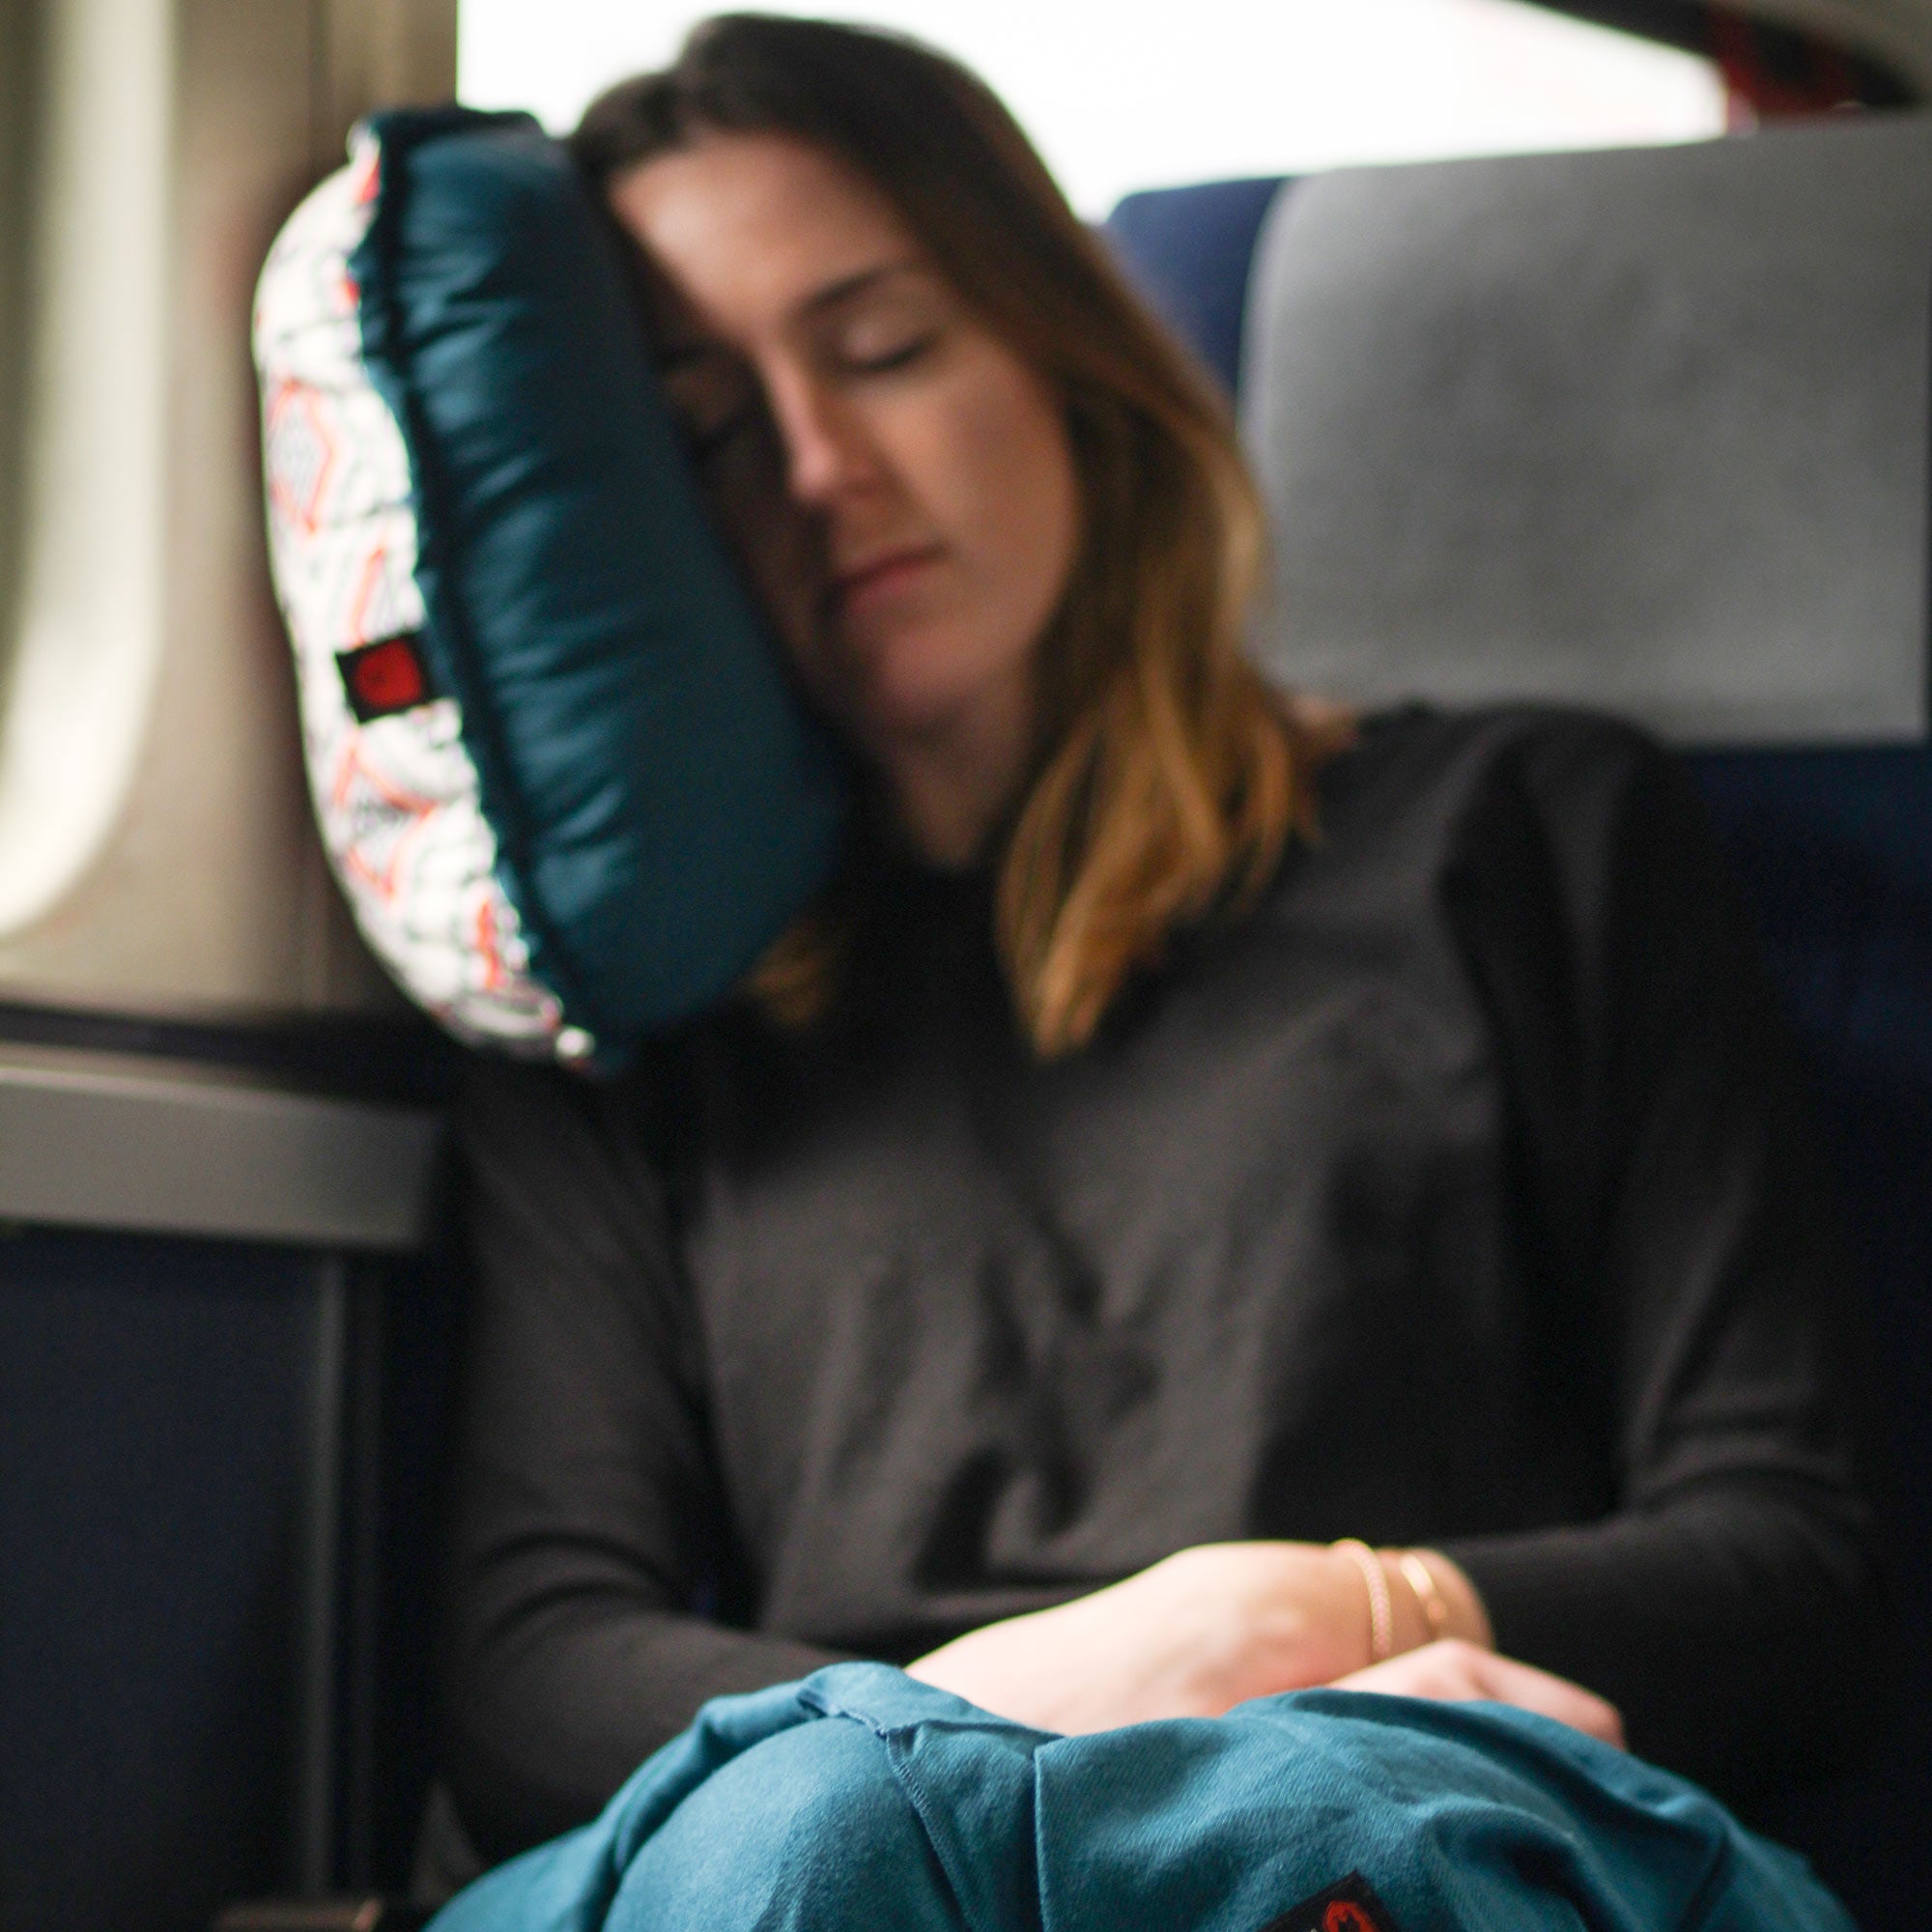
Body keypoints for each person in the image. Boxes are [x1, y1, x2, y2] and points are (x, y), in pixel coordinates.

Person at [435, 9, 1879, 1879]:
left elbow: (1794, 1565)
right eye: (704, 427)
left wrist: (1308, 1625)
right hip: (845, 1838)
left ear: (1065, 358)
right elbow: (532, 1671)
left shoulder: (1523, 834)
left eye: (882, 348)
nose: (811, 467)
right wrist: (1053, 1688)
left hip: (1386, 1781)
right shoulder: (622, 1004)